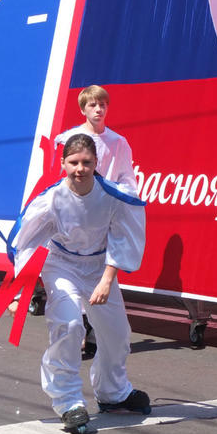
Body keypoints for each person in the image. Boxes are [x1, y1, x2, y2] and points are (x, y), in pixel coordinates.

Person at [7, 134, 150, 434]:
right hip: (62, 265)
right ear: (63, 164)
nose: (80, 168)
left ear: (97, 163)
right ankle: (69, 400)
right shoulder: (51, 199)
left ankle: (113, 392)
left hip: (99, 267)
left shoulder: (112, 195)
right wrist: (20, 293)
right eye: (73, 162)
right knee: (70, 325)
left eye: (87, 162)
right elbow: (27, 244)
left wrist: (107, 280)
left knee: (117, 333)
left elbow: (123, 238)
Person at [54, 85, 138, 358]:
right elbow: (57, 179)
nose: (98, 110)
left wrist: (115, 196)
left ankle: (95, 329)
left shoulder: (118, 143)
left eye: (102, 105)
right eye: (93, 105)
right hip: (75, 217)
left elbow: (128, 179)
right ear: (83, 109)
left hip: (105, 214)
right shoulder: (68, 139)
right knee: (72, 271)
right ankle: (77, 329)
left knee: (102, 273)